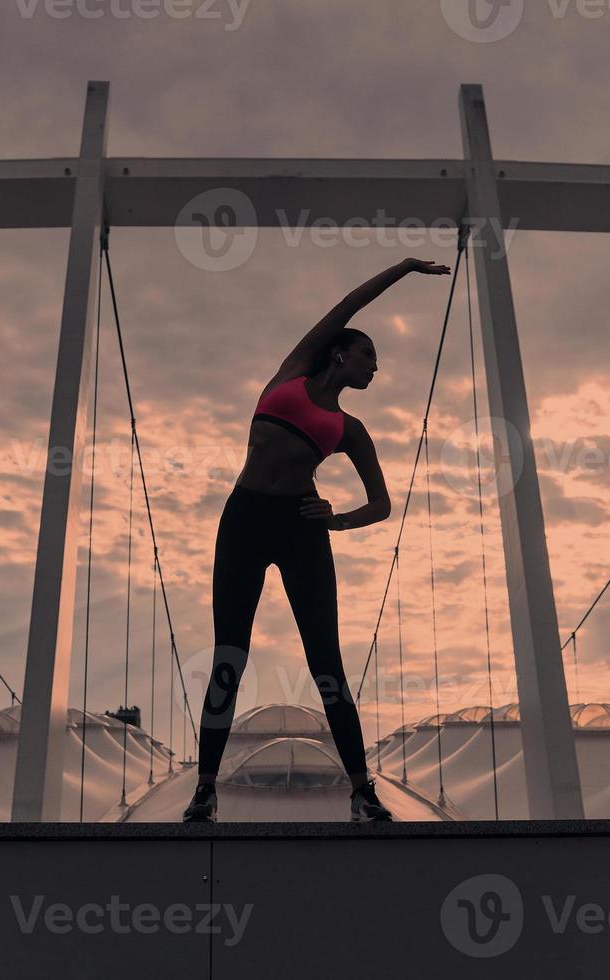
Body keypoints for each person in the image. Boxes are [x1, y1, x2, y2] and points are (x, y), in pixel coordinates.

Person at [183, 257, 452, 823]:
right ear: (340, 352)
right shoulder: (292, 375)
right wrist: (402, 268)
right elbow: (350, 304)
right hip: (245, 518)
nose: (376, 369)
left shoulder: (351, 429)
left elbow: (382, 504)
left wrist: (337, 521)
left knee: (325, 659)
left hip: (301, 528)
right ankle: (205, 791)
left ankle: (363, 792)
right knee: (229, 655)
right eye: (369, 356)